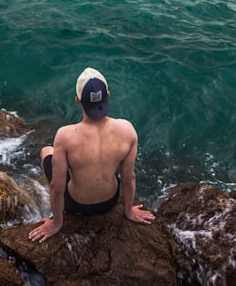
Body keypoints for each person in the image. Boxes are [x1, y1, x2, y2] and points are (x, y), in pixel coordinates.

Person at [28, 67, 155, 243]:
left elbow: (57, 189)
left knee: (46, 151)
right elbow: (128, 178)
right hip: (110, 202)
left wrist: (56, 224)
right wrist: (129, 211)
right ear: (108, 95)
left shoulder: (65, 136)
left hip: (76, 206)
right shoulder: (127, 130)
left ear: (78, 100)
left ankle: (62, 211)